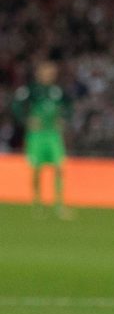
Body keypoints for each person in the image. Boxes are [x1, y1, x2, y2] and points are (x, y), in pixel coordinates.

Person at [11, 61, 72, 218]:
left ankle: (59, 204)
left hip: (53, 134)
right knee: (37, 169)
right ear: (39, 73)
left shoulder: (57, 91)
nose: (49, 75)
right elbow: (16, 105)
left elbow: (69, 106)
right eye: (46, 71)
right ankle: (37, 203)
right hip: (37, 135)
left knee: (59, 167)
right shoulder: (30, 90)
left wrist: (64, 119)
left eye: (51, 72)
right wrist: (26, 120)